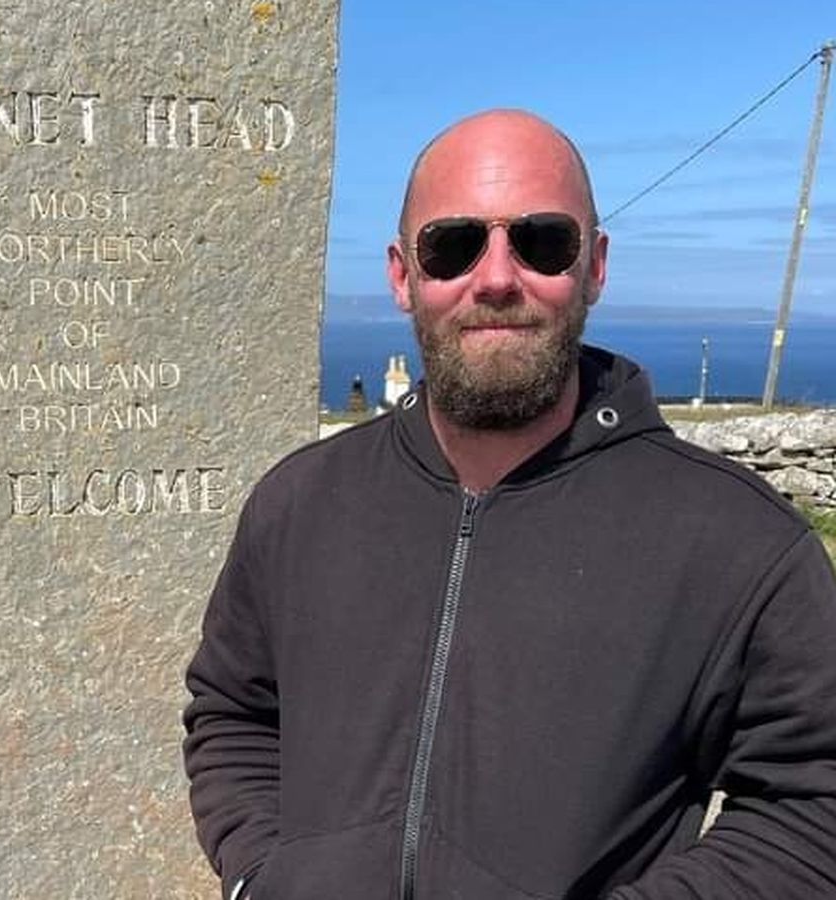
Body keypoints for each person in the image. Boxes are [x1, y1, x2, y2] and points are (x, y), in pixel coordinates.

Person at [182, 109, 836, 900]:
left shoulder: (737, 542)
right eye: (452, 245)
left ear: (594, 267)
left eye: (542, 241)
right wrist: (262, 876)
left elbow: (812, 805)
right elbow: (234, 711)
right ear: (403, 275)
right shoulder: (299, 505)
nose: (496, 278)